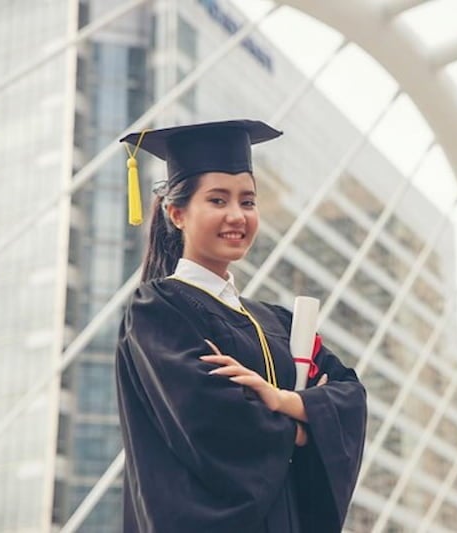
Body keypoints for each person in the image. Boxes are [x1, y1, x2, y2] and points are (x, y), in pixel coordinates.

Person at [114, 119, 367, 533]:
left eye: (248, 202)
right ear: (177, 213)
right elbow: (211, 421)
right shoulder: (159, 309)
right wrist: (308, 429)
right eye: (217, 201)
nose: (237, 215)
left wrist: (279, 400)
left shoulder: (280, 322)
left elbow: (350, 397)